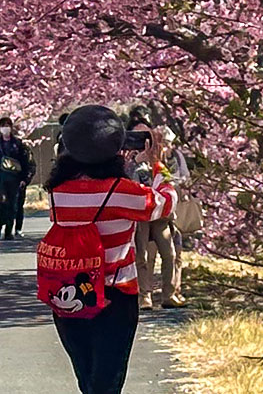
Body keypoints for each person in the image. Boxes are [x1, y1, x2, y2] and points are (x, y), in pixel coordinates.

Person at [43, 105, 161, 394]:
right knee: (108, 381)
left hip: (69, 294)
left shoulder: (58, 194)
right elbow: (163, 203)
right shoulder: (121, 191)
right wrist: (157, 165)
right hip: (115, 296)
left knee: (88, 379)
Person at [126, 116, 188, 310]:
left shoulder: (161, 156)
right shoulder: (125, 157)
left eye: (146, 134)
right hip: (140, 213)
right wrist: (136, 161)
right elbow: (124, 179)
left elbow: (171, 179)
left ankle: (169, 294)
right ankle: (144, 296)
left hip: (161, 214)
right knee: (142, 256)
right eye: (137, 134)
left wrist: (157, 161)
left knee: (169, 253)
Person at [0, 117, 36, 240]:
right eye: (3, 125)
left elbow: (28, 163)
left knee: (13, 205)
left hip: (15, 180)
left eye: (7, 125)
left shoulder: (19, 144)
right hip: (0, 179)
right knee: (2, 203)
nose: (5, 128)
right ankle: (0, 225)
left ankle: (9, 230)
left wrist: (25, 179)